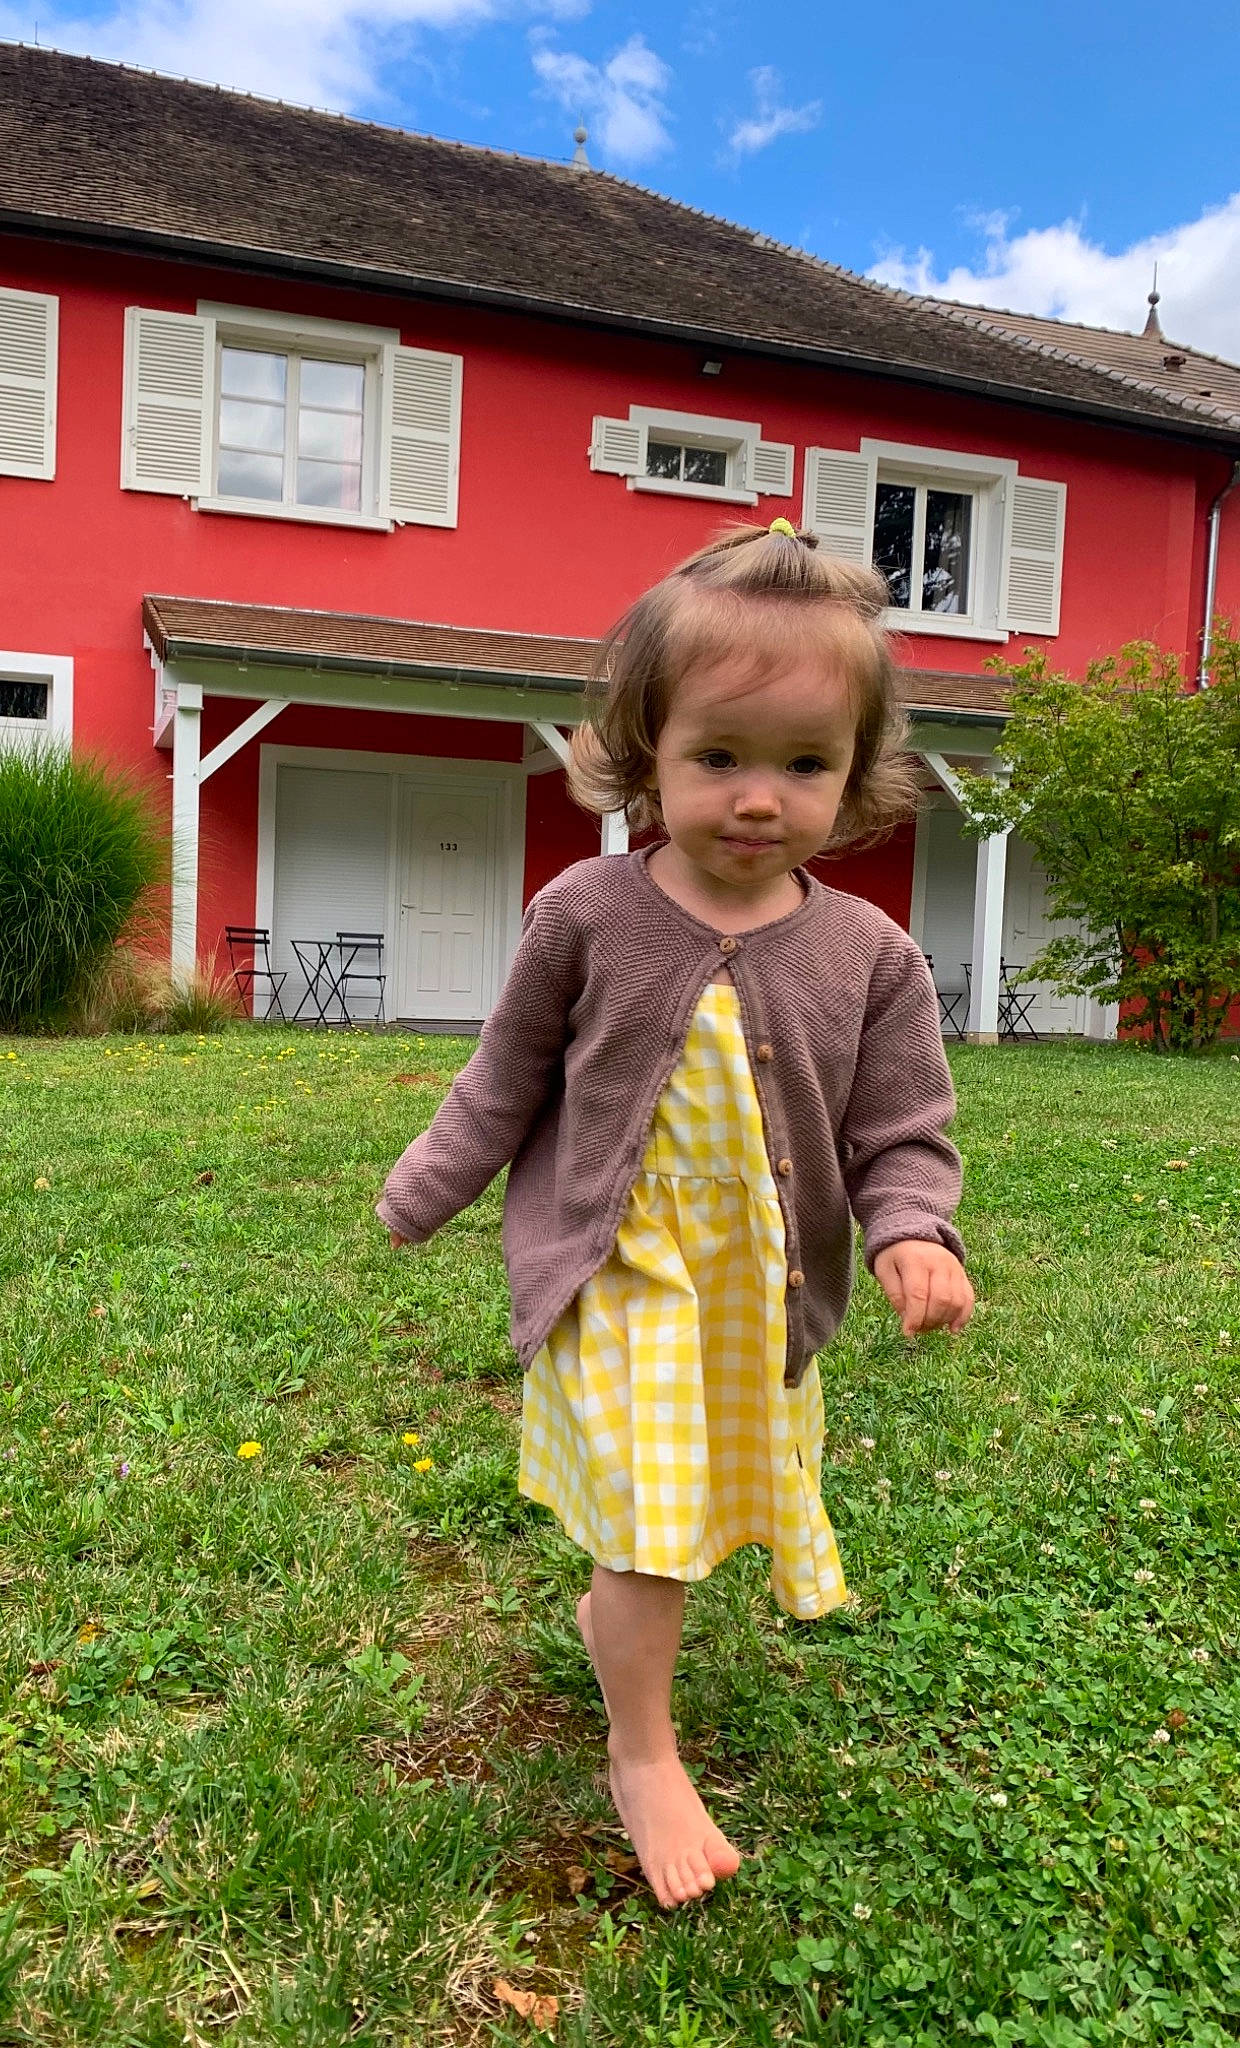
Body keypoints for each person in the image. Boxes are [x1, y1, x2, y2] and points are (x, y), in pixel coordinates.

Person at [377, 520, 973, 1910]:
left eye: (805, 764)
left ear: (858, 772)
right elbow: (503, 1081)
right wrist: (426, 1186)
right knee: (649, 1521)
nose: (760, 799)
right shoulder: (583, 914)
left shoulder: (872, 957)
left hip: (754, 1296)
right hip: (618, 1271)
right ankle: (641, 1750)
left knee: (689, 1510)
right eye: (720, 758)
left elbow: (901, 1129)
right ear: (648, 750)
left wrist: (913, 1231)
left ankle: (617, 1635)